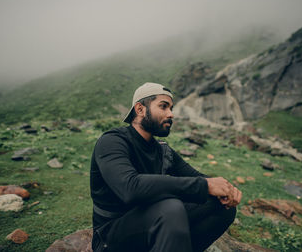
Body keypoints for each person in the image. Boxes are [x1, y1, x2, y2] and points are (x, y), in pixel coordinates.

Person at [90, 82, 242, 252]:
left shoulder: (162, 150)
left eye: (171, 108)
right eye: (163, 107)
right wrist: (205, 186)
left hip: (155, 222)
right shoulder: (113, 141)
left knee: (223, 205)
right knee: (170, 208)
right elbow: (129, 188)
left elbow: (196, 177)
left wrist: (226, 189)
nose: (171, 114)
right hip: (111, 237)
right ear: (140, 109)